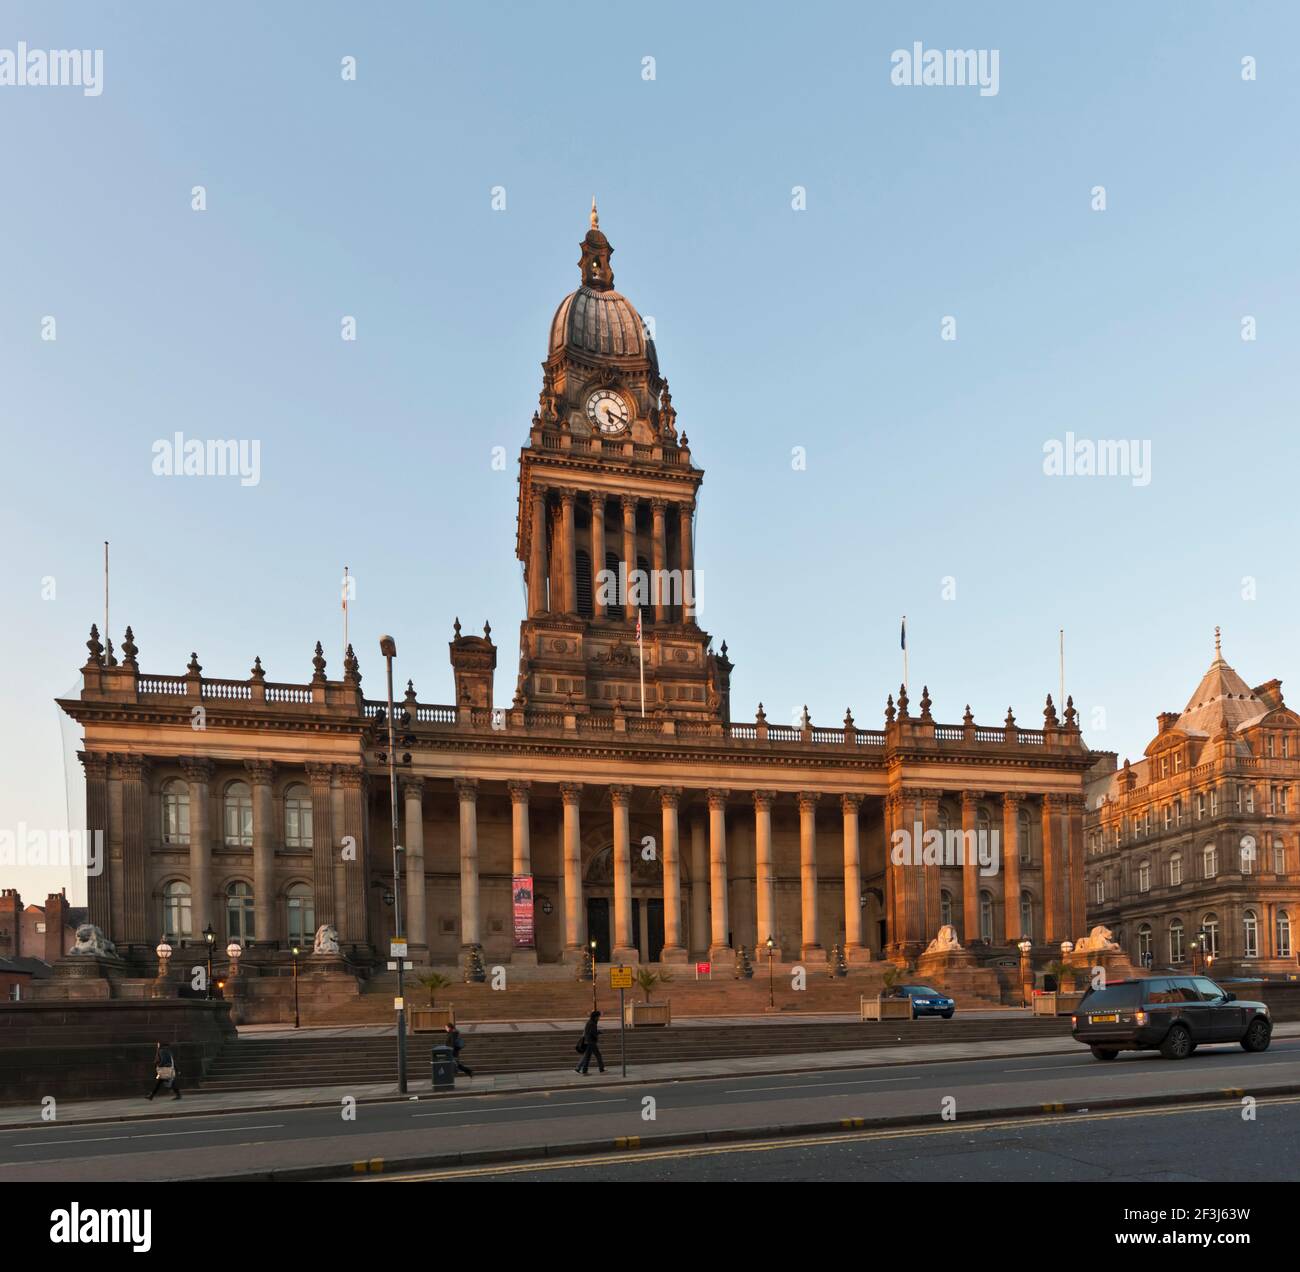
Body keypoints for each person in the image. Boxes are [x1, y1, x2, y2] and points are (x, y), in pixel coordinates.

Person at [575, 1009, 605, 1075]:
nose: (599, 1018)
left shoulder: (590, 1022)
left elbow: (588, 1032)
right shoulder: (592, 1023)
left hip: (588, 1041)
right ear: (595, 1017)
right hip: (591, 1042)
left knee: (587, 1056)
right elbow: (593, 1033)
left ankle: (583, 1070)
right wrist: (598, 1033)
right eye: (598, 1016)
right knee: (598, 1055)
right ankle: (601, 1069)